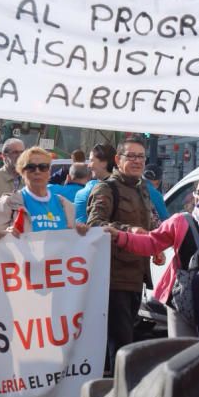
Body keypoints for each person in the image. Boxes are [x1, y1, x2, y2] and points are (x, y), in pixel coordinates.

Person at [0, 147, 89, 397]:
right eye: (32, 167)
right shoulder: (11, 202)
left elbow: (72, 241)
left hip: (55, 293)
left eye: (44, 167)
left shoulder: (63, 204)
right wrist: (0, 234)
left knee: (49, 356)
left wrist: (81, 233)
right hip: (19, 290)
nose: (39, 172)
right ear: (22, 171)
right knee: (13, 356)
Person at [106, 175, 199, 337]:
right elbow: (151, 242)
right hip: (182, 301)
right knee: (182, 355)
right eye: (197, 192)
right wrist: (120, 237)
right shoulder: (180, 221)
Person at [86, 139, 159, 365]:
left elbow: (153, 221)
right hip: (113, 278)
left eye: (141, 157)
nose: (137, 161)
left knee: (126, 342)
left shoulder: (142, 188)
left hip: (136, 276)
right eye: (131, 156)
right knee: (121, 345)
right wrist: (128, 231)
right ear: (118, 160)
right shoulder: (107, 188)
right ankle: (118, 392)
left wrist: (158, 241)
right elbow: (94, 225)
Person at [74, 143, 115, 224]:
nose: (88, 166)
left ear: (104, 162)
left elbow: (95, 224)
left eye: (91, 160)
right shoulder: (121, 184)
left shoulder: (103, 188)